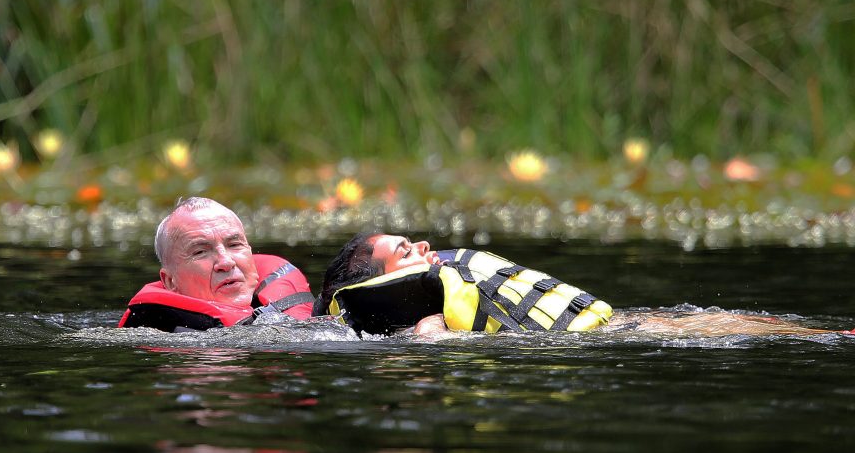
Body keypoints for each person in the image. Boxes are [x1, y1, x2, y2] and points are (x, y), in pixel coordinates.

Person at [314, 232, 849, 338]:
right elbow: (437, 344)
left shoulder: (446, 292)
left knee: (711, 321)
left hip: (613, 327)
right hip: (607, 336)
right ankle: (828, 337)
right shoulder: (424, 325)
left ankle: (823, 335)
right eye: (404, 254)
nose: (424, 250)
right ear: (378, 282)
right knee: (716, 326)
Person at [120, 197, 314, 331]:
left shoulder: (308, 316)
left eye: (234, 244)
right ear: (170, 281)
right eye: (200, 252)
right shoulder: (163, 334)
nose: (226, 262)